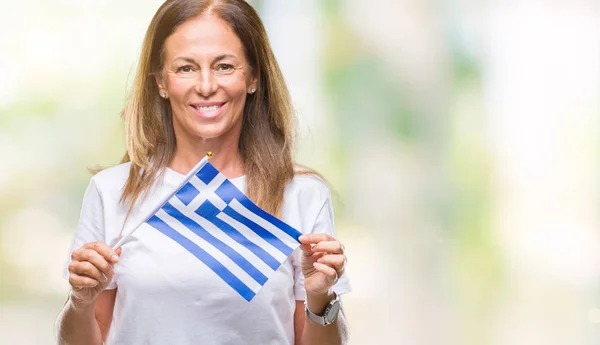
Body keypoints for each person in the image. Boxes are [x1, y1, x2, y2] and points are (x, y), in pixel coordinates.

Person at [55, 0, 350, 344]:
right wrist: (81, 300)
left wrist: (320, 296)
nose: (206, 85)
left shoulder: (302, 193)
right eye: (185, 68)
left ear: (253, 77)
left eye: (224, 66)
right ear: (161, 82)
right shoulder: (111, 192)